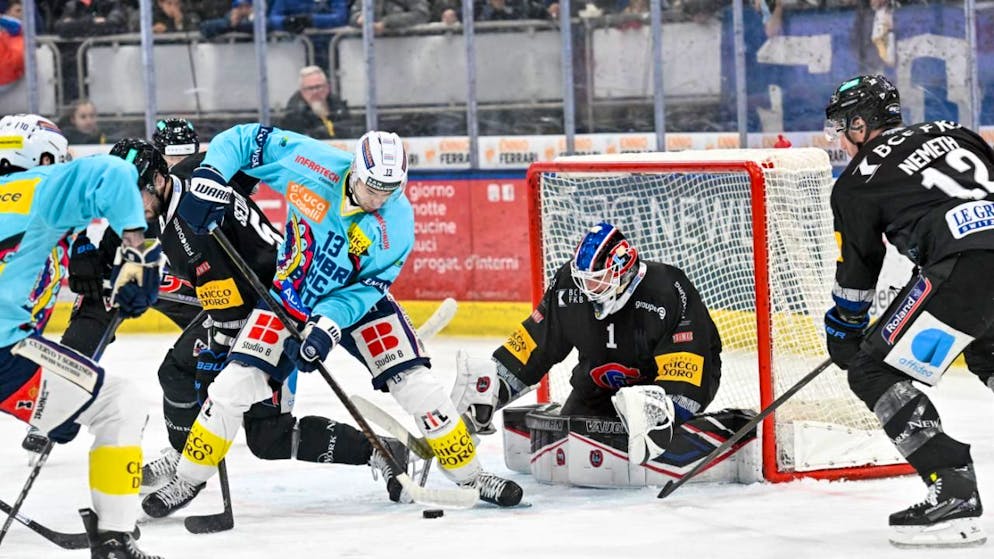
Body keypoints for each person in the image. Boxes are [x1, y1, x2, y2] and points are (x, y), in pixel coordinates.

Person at [144, 124, 523, 515]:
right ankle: (187, 480)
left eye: (388, 190)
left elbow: (368, 288)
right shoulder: (314, 163)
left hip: (357, 305)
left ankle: (472, 476)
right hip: (289, 296)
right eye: (371, 186)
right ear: (355, 171)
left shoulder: (398, 224)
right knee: (231, 388)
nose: (378, 198)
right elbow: (245, 140)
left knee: (418, 386)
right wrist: (211, 175)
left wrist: (326, 325)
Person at [822, 74, 994, 548]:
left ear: (861, 121)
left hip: (965, 268)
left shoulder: (856, 182)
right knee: (987, 352)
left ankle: (953, 488)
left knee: (872, 370)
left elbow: (858, 269)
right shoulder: (955, 132)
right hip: (970, 263)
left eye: (844, 125)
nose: (841, 136)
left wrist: (845, 327)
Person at [0, 114, 163, 559]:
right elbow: (114, 171)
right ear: (44, 157)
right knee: (119, 403)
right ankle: (113, 539)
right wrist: (137, 251)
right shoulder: (41, 185)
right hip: (4, 356)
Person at [451, 221, 724, 468]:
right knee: (575, 434)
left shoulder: (666, 289)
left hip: (662, 386)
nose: (587, 290)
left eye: (596, 281)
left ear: (622, 271)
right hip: (599, 385)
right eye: (584, 281)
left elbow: (690, 362)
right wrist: (493, 389)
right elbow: (536, 342)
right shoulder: (568, 288)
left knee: (652, 422)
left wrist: (665, 412)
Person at [280, 66, 353, 140]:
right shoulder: (294, 114)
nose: (315, 92)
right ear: (302, 91)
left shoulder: (337, 105)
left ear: (327, 87)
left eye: (318, 87)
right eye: (310, 88)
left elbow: (350, 130)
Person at [0, 1, 24, 90]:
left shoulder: (18, 27)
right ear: (6, 12)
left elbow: (15, 28)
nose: (21, 14)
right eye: (18, 11)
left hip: (7, 74)